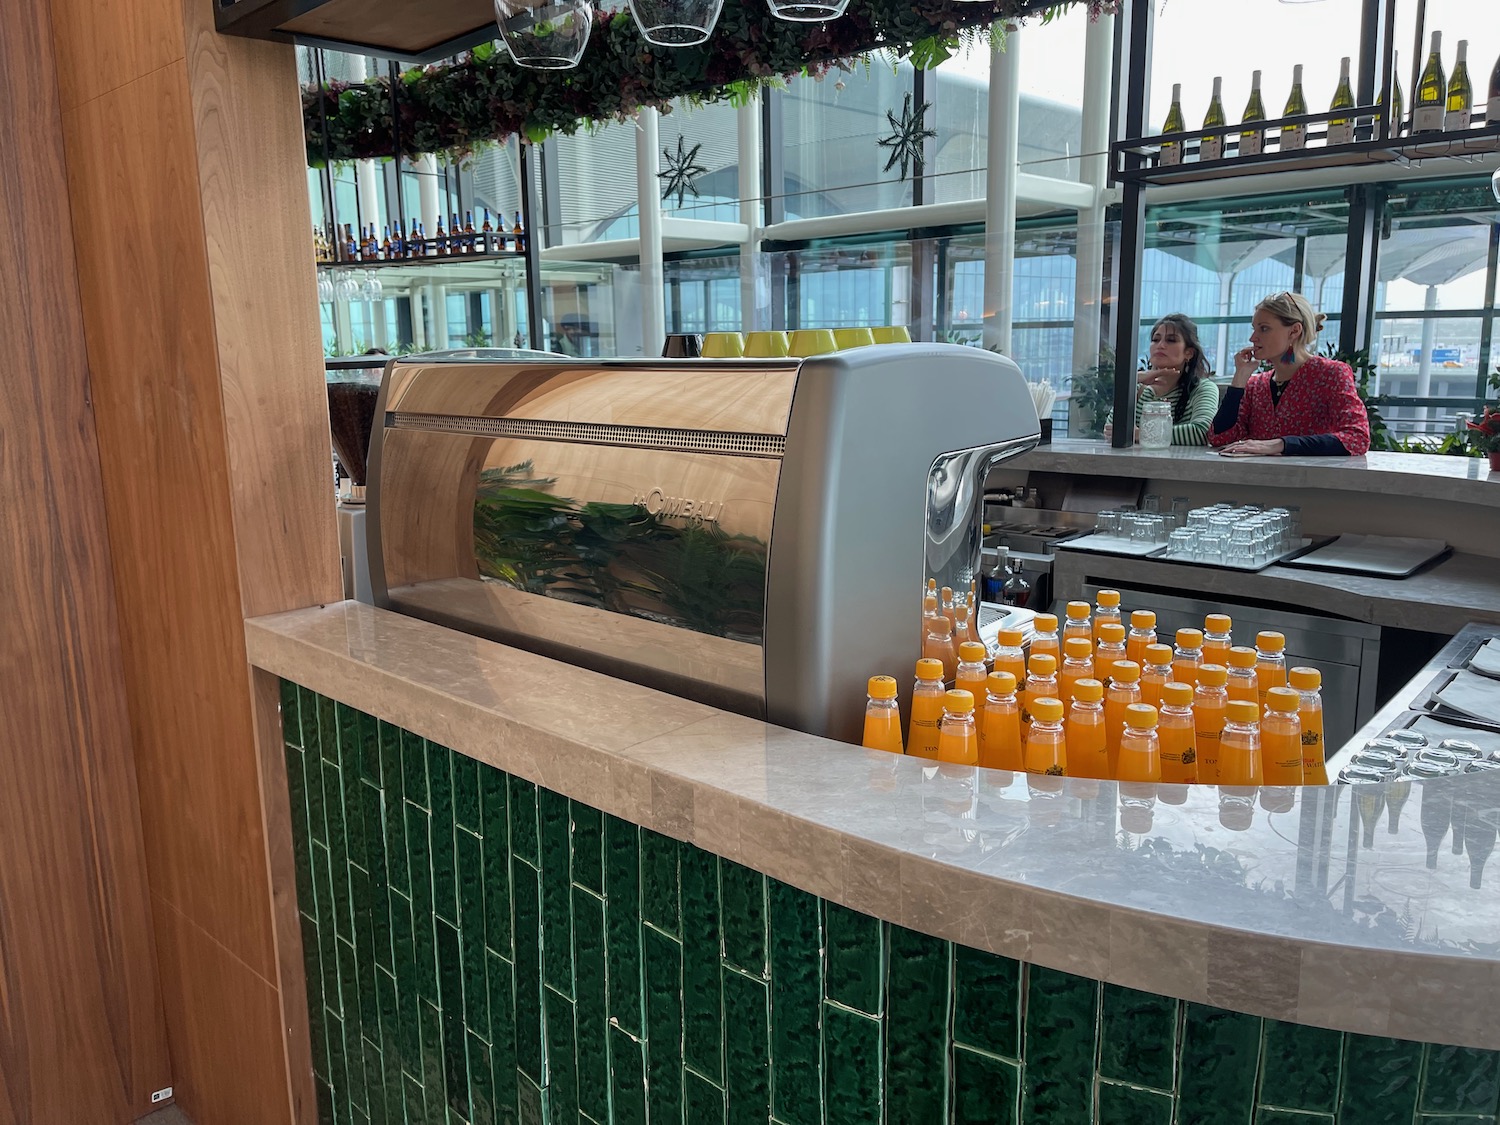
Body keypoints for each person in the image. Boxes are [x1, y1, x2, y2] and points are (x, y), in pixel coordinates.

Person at [1209, 292, 1370, 457]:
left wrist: (1281, 444)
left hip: (1311, 479)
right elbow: (1220, 438)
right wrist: (1239, 380)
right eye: (1254, 329)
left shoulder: (1331, 374)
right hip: (1256, 479)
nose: (1253, 338)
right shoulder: (1255, 385)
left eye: (1264, 328)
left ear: (1294, 331)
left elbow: (1357, 438)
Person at [1104, 314, 1220, 446]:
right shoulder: (1137, 388)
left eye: (1171, 340)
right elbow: (1110, 430)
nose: (1161, 345)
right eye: (1155, 340)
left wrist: (1139, 434)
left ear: (1189, 353)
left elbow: (1203, 432)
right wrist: (1132, 381)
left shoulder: (1202, 388)